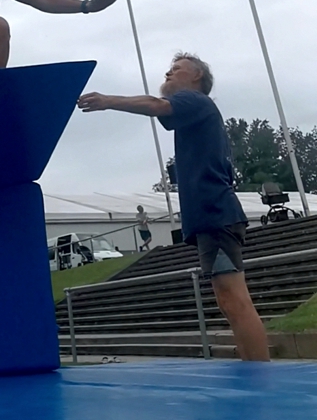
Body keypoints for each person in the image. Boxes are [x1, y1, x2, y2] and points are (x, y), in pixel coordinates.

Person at [78, 52, 270, 361]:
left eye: (177, 69)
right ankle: (253, 367)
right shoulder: (194, 112)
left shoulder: (195, 100)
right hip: (210, 217)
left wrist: (108, 100)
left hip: (216, 214)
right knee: (228, 301)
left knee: (234, 300)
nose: (168, 73)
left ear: (196, 77)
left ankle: (260, 372)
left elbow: (156, 105)